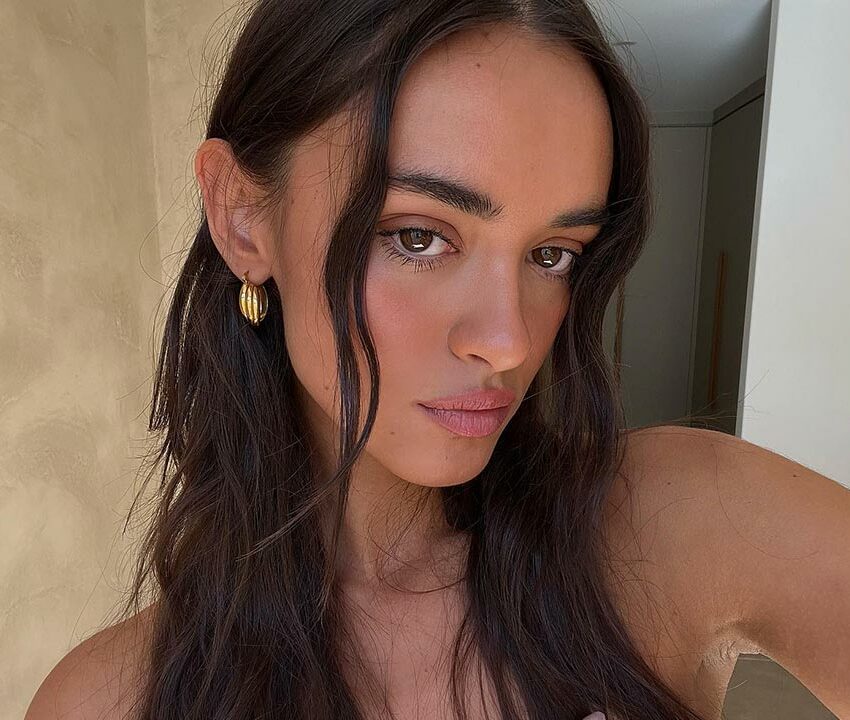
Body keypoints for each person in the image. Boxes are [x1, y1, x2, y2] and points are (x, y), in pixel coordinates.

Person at [24, 1, 850, 719]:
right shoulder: (107, 701)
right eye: (418, 237)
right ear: (242, 216)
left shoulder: (675, 525)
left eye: (554, 254)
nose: (509, 340)